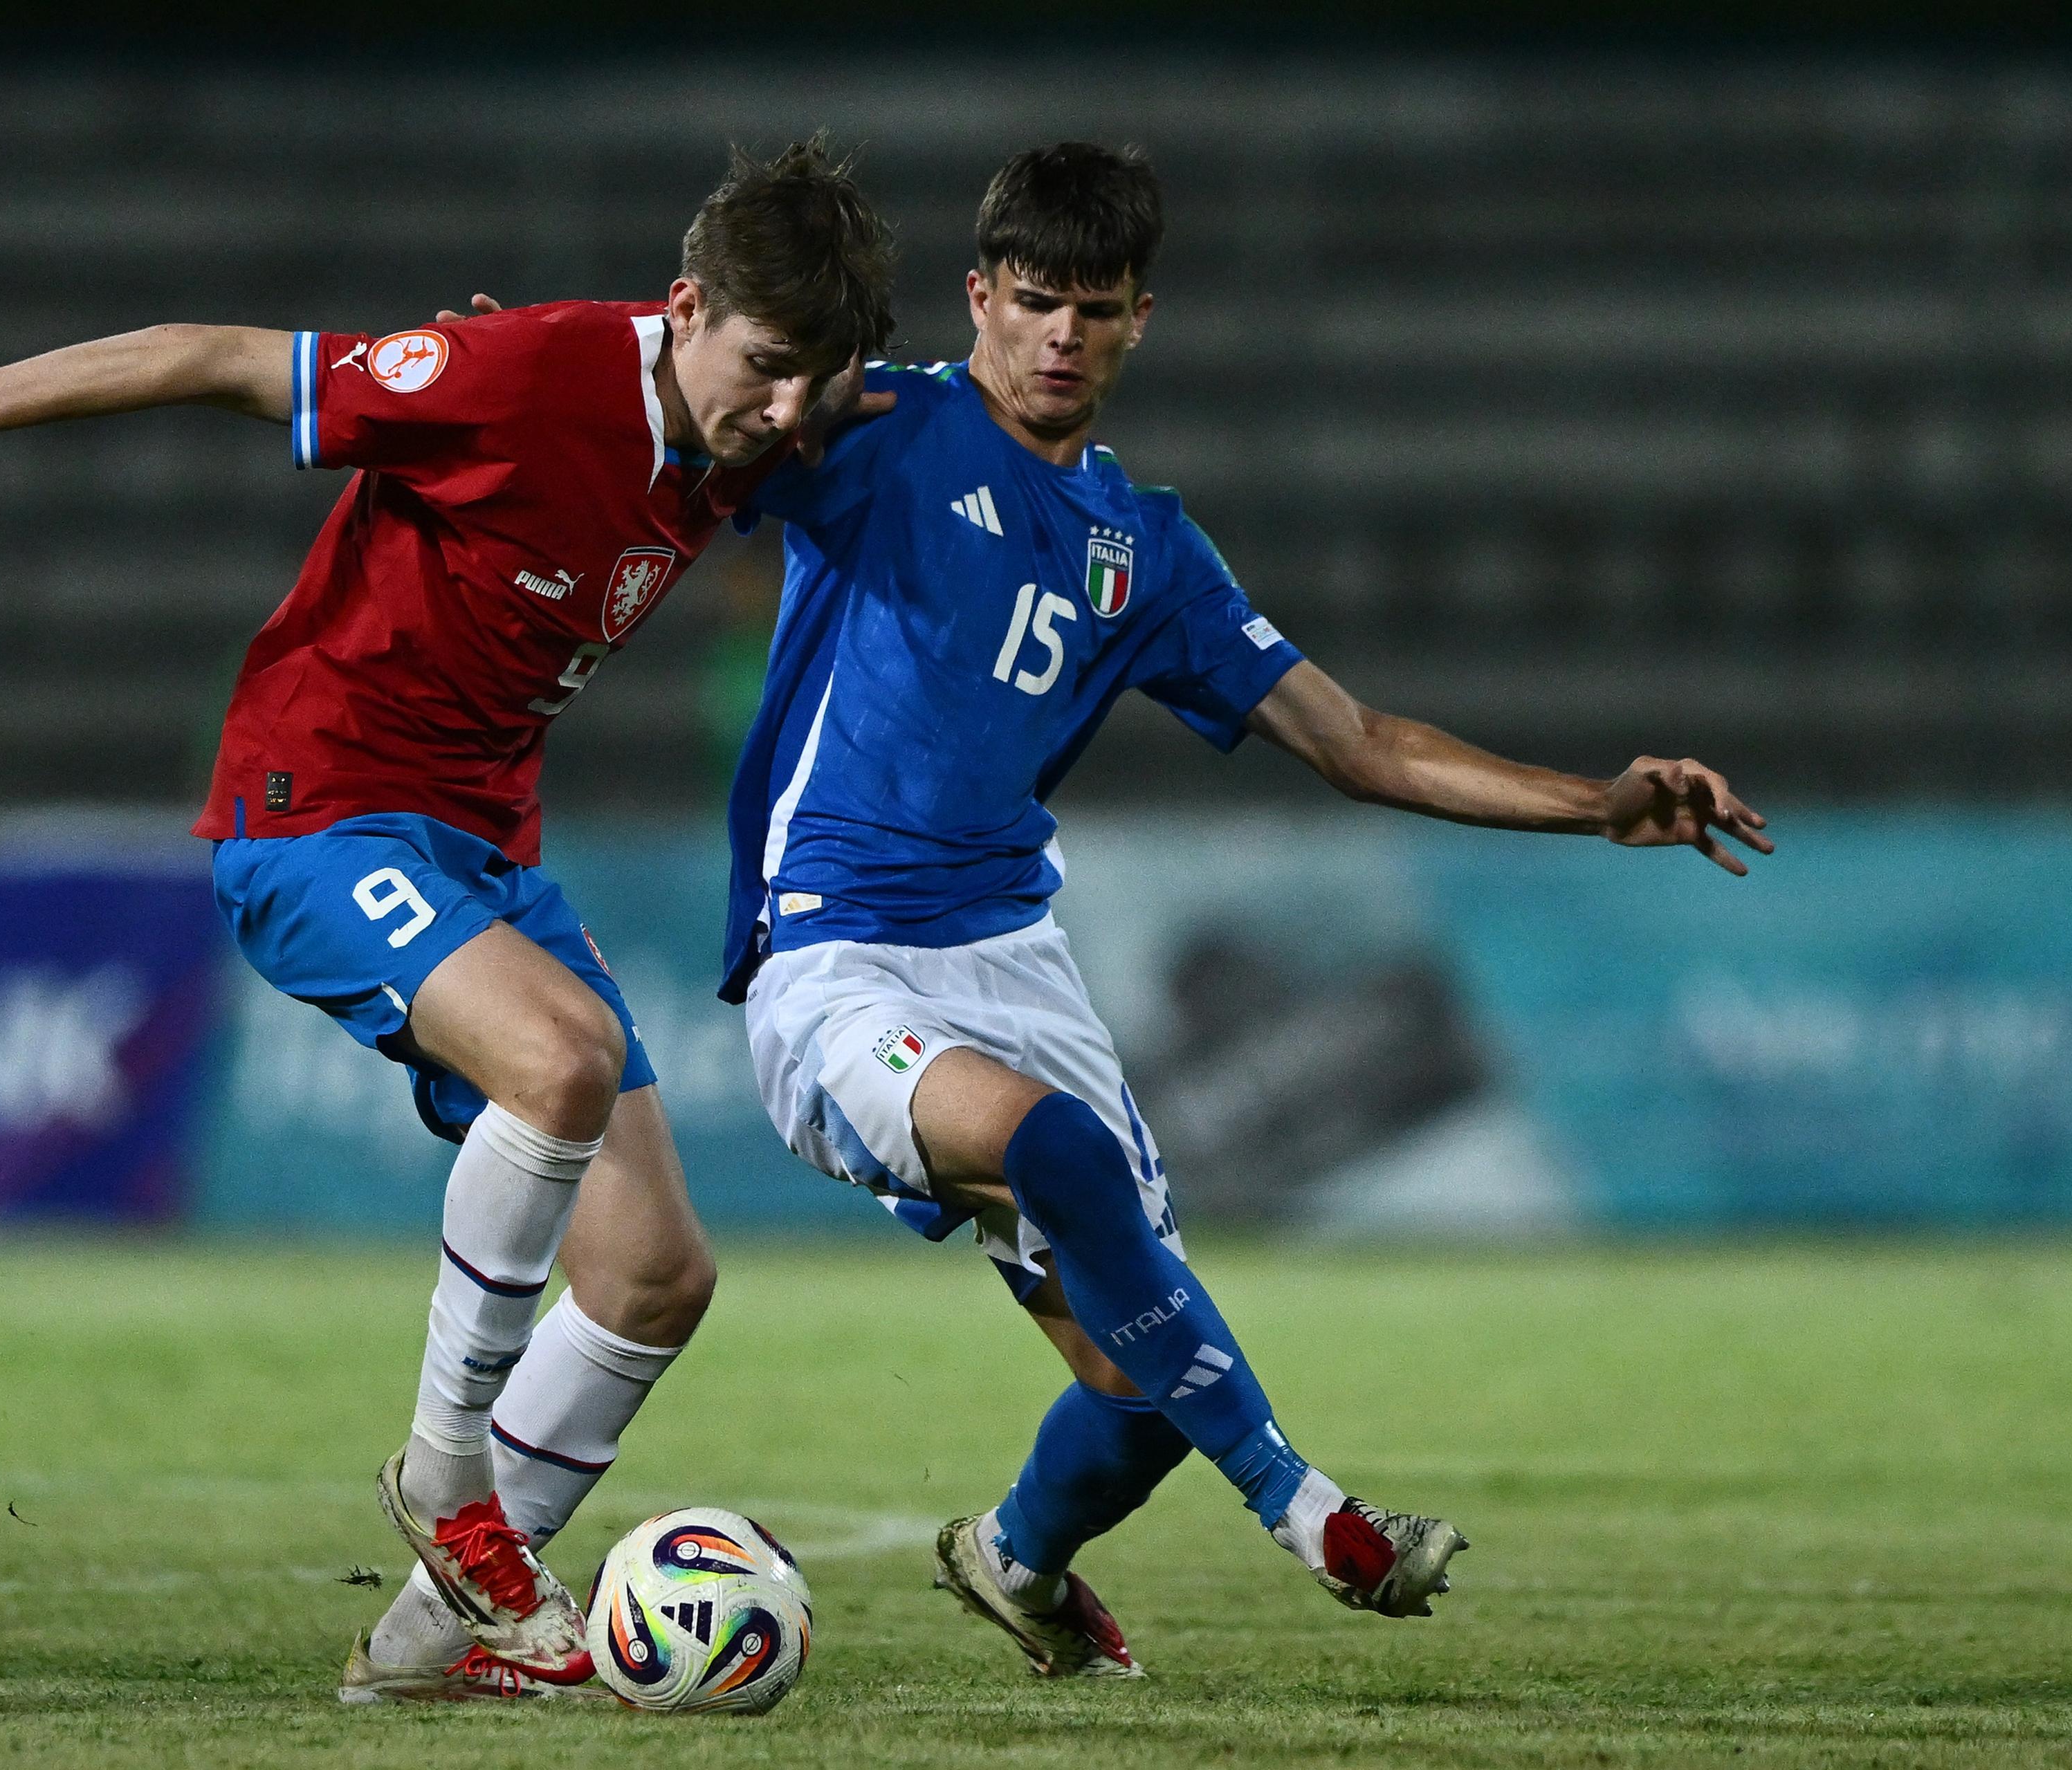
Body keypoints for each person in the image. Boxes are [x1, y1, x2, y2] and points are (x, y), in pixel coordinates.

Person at [0, 141, 897, 1702]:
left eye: (810, 384)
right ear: (686, 306)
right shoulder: (523, 371)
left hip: (484, 848)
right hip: (318, 810)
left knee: (653, 1272)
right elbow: (210, 357)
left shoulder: (760, 417)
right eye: (764, 370)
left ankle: (424, 1656)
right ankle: (449, 1490)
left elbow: (886, 409)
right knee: (559, 1063)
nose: (782, 412)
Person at [721, 142, 1773, 1677]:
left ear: (1144, 317)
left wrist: (1593, 804)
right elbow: (692, 423)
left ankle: (1015, 1554)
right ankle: (1310, 1509)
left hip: (1012, 962)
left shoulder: (1144, 550)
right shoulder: (887, 421)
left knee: (1144, 1381)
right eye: (1033, 303)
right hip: (835, 956)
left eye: (1096, 308)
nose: (1061, 337)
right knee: (1060, 1153)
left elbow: (1357, 741)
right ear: (979, 297)